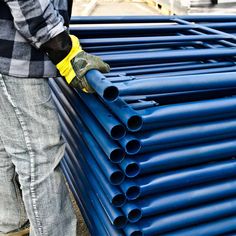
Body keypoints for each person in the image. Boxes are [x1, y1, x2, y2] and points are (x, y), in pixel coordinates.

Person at [0, 0, 110, 235]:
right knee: (40, 155)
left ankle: (14, 224)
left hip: (12, 52)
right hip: (15, 57)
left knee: (9, 146)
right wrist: (62, 47)